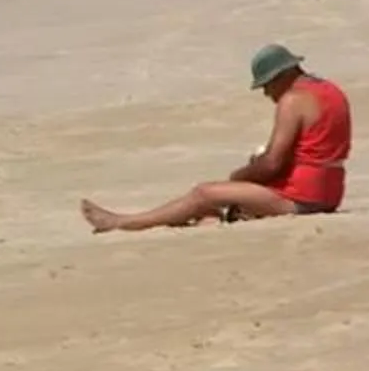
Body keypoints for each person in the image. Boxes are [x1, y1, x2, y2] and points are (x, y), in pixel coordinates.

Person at [82, 45, 352, 232]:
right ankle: (212, 218)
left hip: (303, 197)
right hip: (330, 191)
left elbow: (272, 163)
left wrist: (239, 175)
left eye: (267, 86)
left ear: (281, 77)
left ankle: (124, 223)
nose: (267, 94)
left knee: (205, 192)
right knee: (216, 205)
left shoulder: (293, 101)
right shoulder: (330, 91)